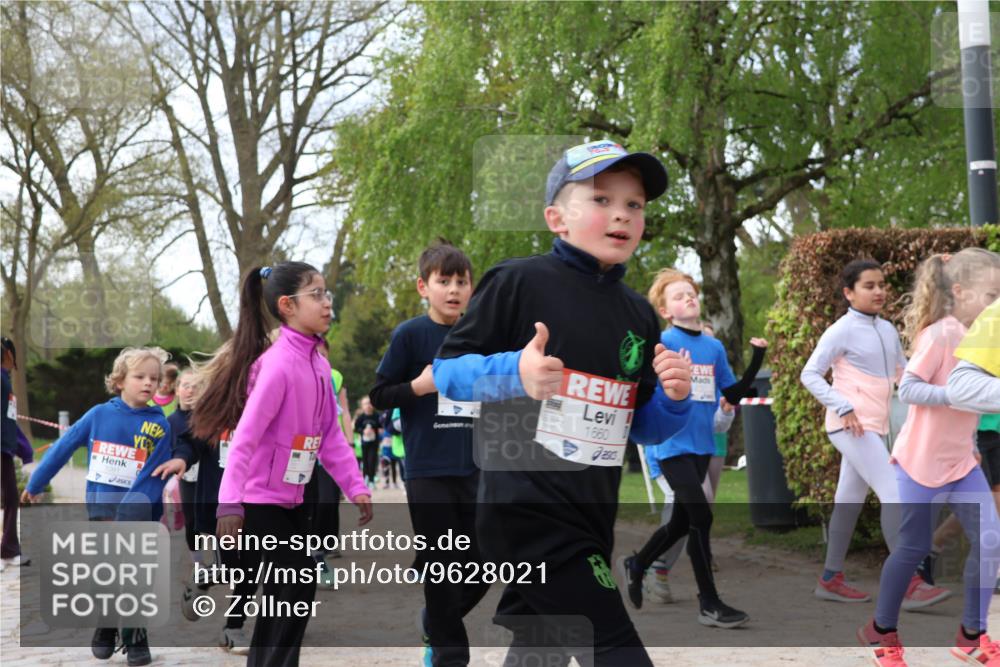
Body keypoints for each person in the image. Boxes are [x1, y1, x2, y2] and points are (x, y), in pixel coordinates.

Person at [433, 139, 693, 666]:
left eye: (634, 204)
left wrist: (675, 400)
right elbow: (448, 375)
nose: (621, 214)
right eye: (601, 199)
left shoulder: (639, 315)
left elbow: (640, 425)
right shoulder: (519, 282)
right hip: (525, 511)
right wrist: (515, 371)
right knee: (616, 650)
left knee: (539, 653)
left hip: (591, 516)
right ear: (557, 219)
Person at [190, 262, 371, 667]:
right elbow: (245, 439)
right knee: (298, 580)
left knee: (285, 592)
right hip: (258, 500)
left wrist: (356, 486)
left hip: (295, 496)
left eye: (327, 293)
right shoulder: (276, 366)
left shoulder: (319, 365)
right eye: (317, 294)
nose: (327, 303)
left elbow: (331, 436)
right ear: (287, 306)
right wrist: (229, 503)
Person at [859, 248, 1000, 667]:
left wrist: (971, 440)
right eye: (991, 295)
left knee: (991, 542)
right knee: (913, 548)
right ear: (961, 292)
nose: (997, 304)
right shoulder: (942, 334)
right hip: (919, 462)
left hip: (961, 462)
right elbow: (910, 389)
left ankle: (972, 635)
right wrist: (955, 395)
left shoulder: (985, 337)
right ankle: (881, 630)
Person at [21, 346, 186, 666]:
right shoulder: (98, 415)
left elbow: (155, 475)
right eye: (140, 376)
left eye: (154, 378)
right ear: (120, 380)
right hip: (103, 510)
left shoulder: (160, 425)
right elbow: (64, 446)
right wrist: (36, 482)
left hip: (138, 513)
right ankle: (106, 624)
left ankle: (135, 637)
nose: (148, 383)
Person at [801, 259, 949, 608]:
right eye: (869, 286)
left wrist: (935, 393)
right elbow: (809, 374)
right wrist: (842, 406)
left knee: (848, 502)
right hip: (850, 426)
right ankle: (908, 584)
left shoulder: (886, 329)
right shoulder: (841, 330)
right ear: (849, 293)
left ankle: (830, 578)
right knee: (894, 490)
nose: (879, 291)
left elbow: (903, 373)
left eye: (882, 284)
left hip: (874, 427)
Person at [622, 269, 765, 627]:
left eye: (691, 293)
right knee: (701, 517)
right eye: (678, 296)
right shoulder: (663, 342)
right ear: (665, 310)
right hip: (671, 443)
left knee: (681, 524)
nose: (688, 298)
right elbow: (646, 391)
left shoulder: (713, 347)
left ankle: (637, 564)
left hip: (703, 444)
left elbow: (731, 393)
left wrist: (757, 358)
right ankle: (709, 603)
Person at [369, 239, 487, 667]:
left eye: (462, 282)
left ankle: (435, 621)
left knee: (486, 564)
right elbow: (379, 394)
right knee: (442, 565)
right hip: (428, 469)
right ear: (424, 286)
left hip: (478, 467)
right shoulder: (410, 335)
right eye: (444, 281)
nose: (454, 289)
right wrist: (418, 387)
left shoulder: (482, 334)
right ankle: (449, 656)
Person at [167, 363, 254, 655]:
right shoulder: (217, 412)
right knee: (231, 569)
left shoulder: (265, 408)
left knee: (252, 570)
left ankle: (233, 628)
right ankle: (203, 577)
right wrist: (181, 458)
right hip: (222, 507)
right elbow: (191, 442)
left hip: (258, 501)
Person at [1, 336, 31, 570]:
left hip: (5, 449)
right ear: (9, 354)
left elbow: (9, 418)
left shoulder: (6, 380)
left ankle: (9, 550)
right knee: (9, 497)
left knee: (11, 497)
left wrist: (21, 445)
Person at [354, 396, 381, 488]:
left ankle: (372, 480)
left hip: (374, 443)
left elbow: (381, 426)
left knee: (372, 460)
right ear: (362, 406)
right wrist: (363, 431)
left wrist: (377, 430)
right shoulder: (361, 418)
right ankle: (365, 478)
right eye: (365, 403)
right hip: (364, 443)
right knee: (365, 461)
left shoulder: (376, 416)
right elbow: (356, 428)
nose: (368, 405)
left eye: (369, 403)